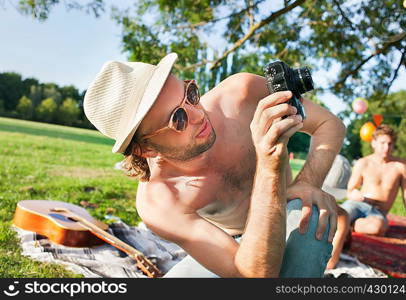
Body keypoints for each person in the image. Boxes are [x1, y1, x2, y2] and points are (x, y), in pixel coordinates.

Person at [83, 53, 346, 277]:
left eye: (191, 94)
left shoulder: (240, 95)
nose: (199, 114)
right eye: (178, 119)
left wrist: (307, 182)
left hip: (289, 212)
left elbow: (329, 124)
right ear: (146, 149)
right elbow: (251, 273)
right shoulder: (159, 201)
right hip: (234, 248)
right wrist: (269, 165)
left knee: (309, 215)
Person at [341, 124, 406, 236]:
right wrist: (358, 195)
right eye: (382, 143)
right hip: (357, 204)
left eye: (390, 144)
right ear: (374, 143)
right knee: (339, 216)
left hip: (377, 212)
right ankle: (343, 225)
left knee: (377, 228)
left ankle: (349, 227)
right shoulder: (363, 162)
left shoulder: (400, 166)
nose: (386, 147)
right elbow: (350, 191)